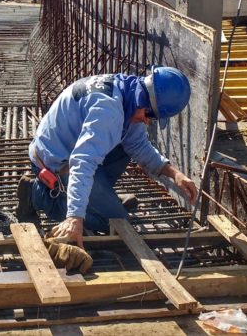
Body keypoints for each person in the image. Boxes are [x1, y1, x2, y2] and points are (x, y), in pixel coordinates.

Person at [16, 68, 198, 248]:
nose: (147, 121)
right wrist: (74, 217)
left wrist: (174, 174)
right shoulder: (109, 112)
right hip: (54, 164)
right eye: (149, 114)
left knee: (126, 144)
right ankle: (35, 194)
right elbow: (82, 162)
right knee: (114, 222)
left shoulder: (127, 92)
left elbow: (138, 145)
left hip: (68, 149)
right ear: (143, 100)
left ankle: (101, 198)